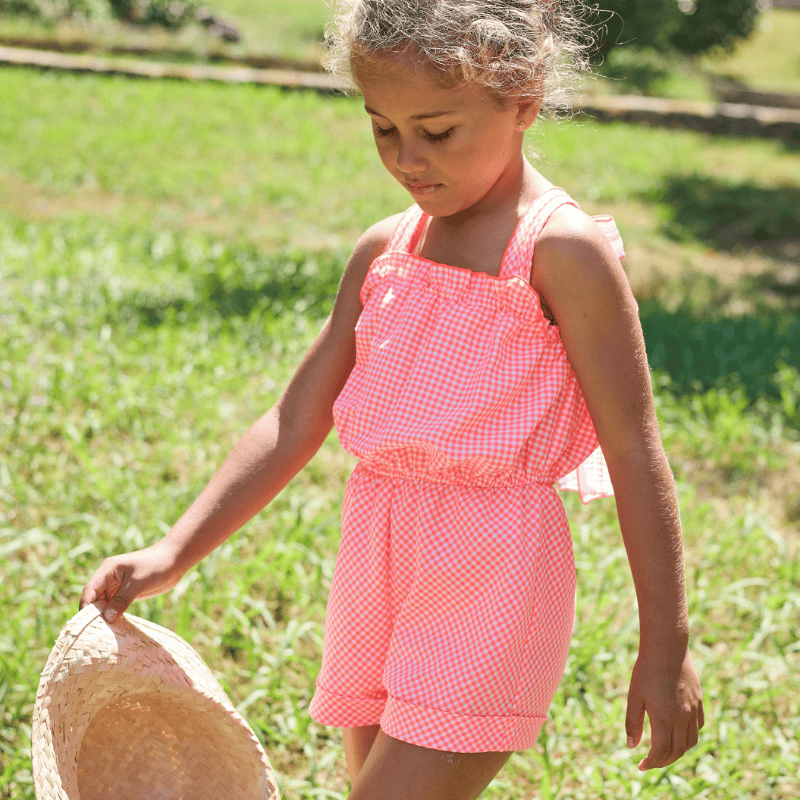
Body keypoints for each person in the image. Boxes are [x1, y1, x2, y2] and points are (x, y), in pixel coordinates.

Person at [80, 1, 704, 797]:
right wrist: (175, 550)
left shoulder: (561, 252)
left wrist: (666, 641)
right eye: (383, 128)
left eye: (437, 131)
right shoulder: (386, 248)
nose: (407, 158)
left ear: (523, 100)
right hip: (377, 564)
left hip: (492, 577)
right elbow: (295, 417)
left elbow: (634, 448)